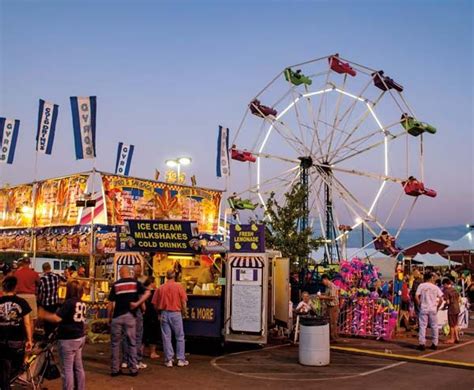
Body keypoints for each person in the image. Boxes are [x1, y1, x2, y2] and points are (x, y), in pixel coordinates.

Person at [39, 281, 87, 390]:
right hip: (79, 337)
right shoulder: (82, 302)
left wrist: (44, 315)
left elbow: (57, 318)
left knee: (67, 369)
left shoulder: (69, 302)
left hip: (68, 339)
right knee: (78, 367)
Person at [108, 266, 150, 377]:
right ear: (129, 272)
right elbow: (147, 293)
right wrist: (137, 303)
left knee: (115, 344)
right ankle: (133, 368)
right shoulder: (135, 283)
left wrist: (109, 317)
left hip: (117, 317)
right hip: (130, 316)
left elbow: (110, 303)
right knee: (132, 343)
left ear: (121, 273)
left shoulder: (116, 285)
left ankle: (115, 369)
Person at [0, 276, 33, 390]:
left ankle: (5, 383)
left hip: (1, 341)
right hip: (17, 341)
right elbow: (27, 323)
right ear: (15, 288)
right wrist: (29, 339)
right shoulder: (22, 302)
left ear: (3, 287)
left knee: (3, 366)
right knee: (16, 367)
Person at [152, 270, 188, 367]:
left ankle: (169, 360)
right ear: (174, 276)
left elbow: (154, 304)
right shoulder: (179, 286)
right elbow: (184, 301)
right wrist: (184, 312)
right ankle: (181, 359)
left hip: (164, 313)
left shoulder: (160, 288)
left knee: (166, 338)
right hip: (176, 313)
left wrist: (159, 312)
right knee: (180, 337)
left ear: (166, 277)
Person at [121, 263, 147, 370]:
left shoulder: (120, 285)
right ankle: (135, 361)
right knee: (137, 337)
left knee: (126, 337)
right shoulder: (136, 284)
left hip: (124, 313)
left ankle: (125, 361)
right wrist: (143, 308)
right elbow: (142, 300)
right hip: (136, 313)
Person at [415, 272, 444, 351]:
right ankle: (435, 343)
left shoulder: (421, 286)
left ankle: (422, 343)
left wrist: (419, 304)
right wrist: (437, 306)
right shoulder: (435, 287)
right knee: (434, 326)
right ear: (431, 278)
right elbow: (441, 298)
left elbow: (416, 296)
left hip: (424, 307)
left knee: (422, 326)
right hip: (433, 308)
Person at [38, 262, 66, 338]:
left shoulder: (42, 279)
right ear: (50, 268)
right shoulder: (56, 276)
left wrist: (39, 303)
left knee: (47, 321)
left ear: (43, 269)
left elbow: (39, 292)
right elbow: (65, 279)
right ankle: (53, 334)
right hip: (55, 301)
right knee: (53, 317)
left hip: (45, 302)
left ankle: (48, 335)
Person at [14, 257, 39, 336]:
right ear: (29, 263)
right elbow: (39, 283)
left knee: (19, 319)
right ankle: (30, 338)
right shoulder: (34, 273)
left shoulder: (17, 273)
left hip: (19, 296)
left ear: (22, 263)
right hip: (31, 296)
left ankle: (20, 337)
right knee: (31, 320)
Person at [142, 276, 160, 359]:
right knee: (153, 333)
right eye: (155, 282)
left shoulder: (142, 291)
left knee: (144, 333)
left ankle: (142, 351)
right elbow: (156, 304)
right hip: (152, 315)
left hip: (144, 315)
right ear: (151, 283)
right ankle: (152, 352)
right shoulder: (153, 292)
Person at [319, 274, 339, 341]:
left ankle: (333, 337)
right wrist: (322, 294)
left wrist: (322, 297)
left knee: (333, 322)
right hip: (329, 306)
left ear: (326, 279)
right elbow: (328, 295)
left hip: (333, 306)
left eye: (323, 281)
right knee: (330, 321)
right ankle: (331, 336)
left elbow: (332, 297)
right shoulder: (327, 287)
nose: (322, 282)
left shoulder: (332, 286)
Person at [442, 278, 461, 344]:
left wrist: (444, 307)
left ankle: (452, 339)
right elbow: (459, 299)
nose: (443, 286)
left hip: (452, 309)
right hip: (457, 308)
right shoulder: (454, 289)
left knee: (451, 325)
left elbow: (447, 302)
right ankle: (457, 338)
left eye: (443, 285)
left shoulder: (447, 291)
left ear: (445, 284)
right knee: (455, 323)